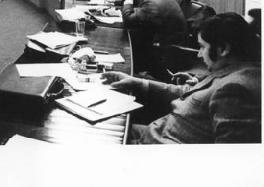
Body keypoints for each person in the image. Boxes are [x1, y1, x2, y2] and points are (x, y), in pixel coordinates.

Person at [102, 13, 261, 144]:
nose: (199, 54)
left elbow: (227, 156)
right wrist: (136, 82)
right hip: (155, 132)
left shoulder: (237, 89)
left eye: (202, 47)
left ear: (223, 49)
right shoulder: (235, 70)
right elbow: (191, 94)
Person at [122, 0, 187, 79]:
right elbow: (140, 12)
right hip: (169, 48)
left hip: (164, 55)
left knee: (125, 49)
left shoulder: (153, 3)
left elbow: (128, 21)